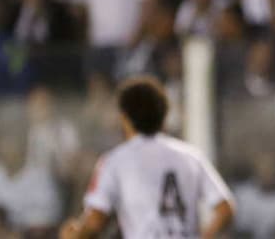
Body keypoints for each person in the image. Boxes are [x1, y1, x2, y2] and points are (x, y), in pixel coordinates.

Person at [59, 76, 234, 239]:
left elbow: (95, 221)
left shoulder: (115, 161)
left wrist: (74, 233)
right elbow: (225, 209)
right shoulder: (191, 156)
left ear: (124, 118)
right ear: (164, 115)